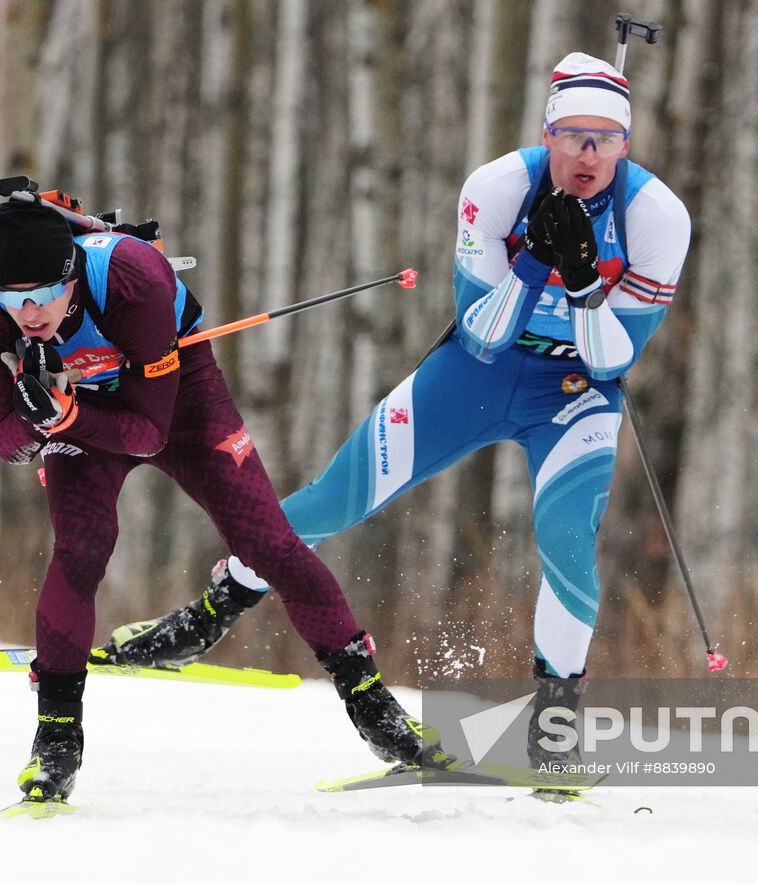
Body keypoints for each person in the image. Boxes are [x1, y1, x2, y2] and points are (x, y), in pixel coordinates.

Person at [109, 52, 692, 770]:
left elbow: (611, 361)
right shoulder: (500, 187)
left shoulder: (656, 216)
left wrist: (580, 282)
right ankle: (208, 616)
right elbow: (481, 336)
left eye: (605, 137)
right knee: (333, 498)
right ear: (548, 137)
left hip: (572, 397)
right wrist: (535, 264)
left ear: (627, 144)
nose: (589, 153)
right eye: (573, 135)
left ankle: (555, 728)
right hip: (475, 376)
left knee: (567, 539)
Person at [0, 199, 429, 806]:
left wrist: (66, 413)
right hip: (78, 419)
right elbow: (4, 444)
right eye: (10, 294)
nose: (27, 311)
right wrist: (33, 412)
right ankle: (56, 741)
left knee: (268, 543)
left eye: (43, 292)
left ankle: (374, 709)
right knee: (81, 550)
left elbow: (149, 431)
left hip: (176, 396)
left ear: (71, 275)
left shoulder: (133, 278)